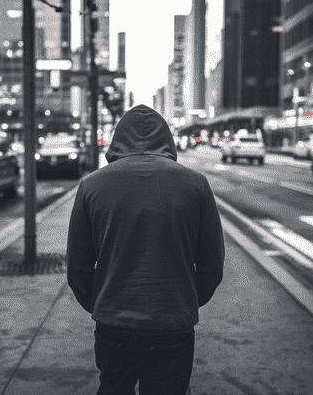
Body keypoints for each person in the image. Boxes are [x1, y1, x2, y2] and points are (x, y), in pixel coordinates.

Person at [67, 104, 225, 395]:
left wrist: (103, 303)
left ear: (117, 140)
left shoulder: (91, 186)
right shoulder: (196, 185)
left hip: (114, 323)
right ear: (167, 140)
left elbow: (77, 267)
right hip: (173, 324)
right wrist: (183, 301)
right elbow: (212, 266)